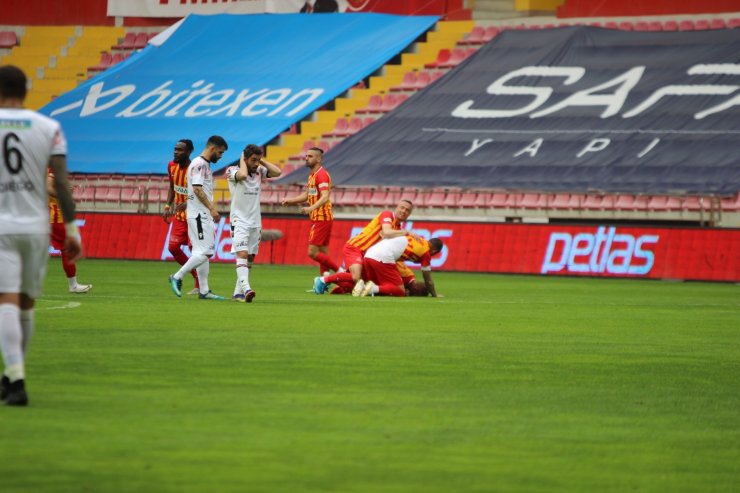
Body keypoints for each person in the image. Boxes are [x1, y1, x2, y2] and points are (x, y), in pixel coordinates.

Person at [0, 65, 83, 406]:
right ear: (28, 89)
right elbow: (61, 183)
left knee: (6, 299)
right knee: (27, 302)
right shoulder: (49, 127)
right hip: (36, 226)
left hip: (2, 225)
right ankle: (13, 375)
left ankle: (16, 377)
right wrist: (73, 228)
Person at [168, 135, 228, 300]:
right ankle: (177, 276)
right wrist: (212, 208)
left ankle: (204, 290)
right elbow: (197, 189)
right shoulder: (200, 164)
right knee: (206, 252)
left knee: (199, 251)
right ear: (213, 149)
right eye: (220, 153)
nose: (221, 156)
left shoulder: (200, 164)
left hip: (197, 214)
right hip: (200, 215)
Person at [312, 199, 416, 295]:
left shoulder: (397, 229)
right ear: (397, 208)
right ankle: (322, 280)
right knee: (356, 277)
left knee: (360, 283)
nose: (404, 211)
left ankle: (339, 287)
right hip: (355, 247)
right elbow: (386, 232)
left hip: (368, 256)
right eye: (402, 207)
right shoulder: (387, 215)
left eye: (407, 210)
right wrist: (406, 232)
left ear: (409, 214)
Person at [225, 144, 282, 302]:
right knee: (241, 254)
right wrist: (244, 161)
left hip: (255, 222)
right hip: (239, 221)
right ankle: (247, 288)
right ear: (244, 159)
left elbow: (278, 172)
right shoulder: (232, 171)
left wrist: (261, 162)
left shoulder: (259, 171)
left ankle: (237, 293)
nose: (256, 163)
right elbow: (242, 175)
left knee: (250, 257)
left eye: (258, 160)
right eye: (253, 160)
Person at [281, 147, 340, 275]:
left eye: (310, 156)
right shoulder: (312, 175)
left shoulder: (322, 175)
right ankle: (324, 280)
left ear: (318, 159)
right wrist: (290, 201)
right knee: (323, 252)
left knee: (312, 252)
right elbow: (306, 195)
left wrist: (311, 208)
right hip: (318, 218)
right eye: (306, 156)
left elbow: (325, 197)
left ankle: (341, 272)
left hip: (322, 217)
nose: (306, 158)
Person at [163, 139, 200, 295]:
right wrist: (167, 205)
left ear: (189, 152)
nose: (176, 152)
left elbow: (200, 194)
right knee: (172, 247)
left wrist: (187, 204)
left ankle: (200, 286)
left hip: (193, 217)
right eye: (175, 149)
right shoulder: (171, 166)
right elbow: (172, 187)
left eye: (180, 150)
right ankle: (193, 276)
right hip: (179, 218)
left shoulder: (195, 170)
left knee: (196, 252)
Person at [47, 170, 92, 294]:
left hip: (49, 216)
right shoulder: (51, 168)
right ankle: (73, 285)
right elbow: (48, 188)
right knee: (68, 250)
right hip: (55, 218)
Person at [356, 235, 444, 297]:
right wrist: (434, 294)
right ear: (434, 251)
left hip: (369, 254)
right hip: (383, 257)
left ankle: (362, 287)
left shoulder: (417, 239)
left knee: (381, 286)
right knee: (400, 291)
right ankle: (372, 289)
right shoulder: (426, 253)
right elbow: (428, 279)